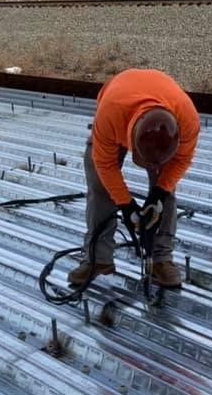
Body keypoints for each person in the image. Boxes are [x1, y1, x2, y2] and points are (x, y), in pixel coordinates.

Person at [68, 68, 200, 288]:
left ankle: (160, 259)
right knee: (98, 181)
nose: (151, 167)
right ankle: (98, 258)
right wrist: (126, 205)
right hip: (117, 107)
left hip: (163, 103)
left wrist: (159, 194)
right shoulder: (110, 115)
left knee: (167, 192)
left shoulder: (187, 120)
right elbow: (105, 165)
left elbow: (181, 161)